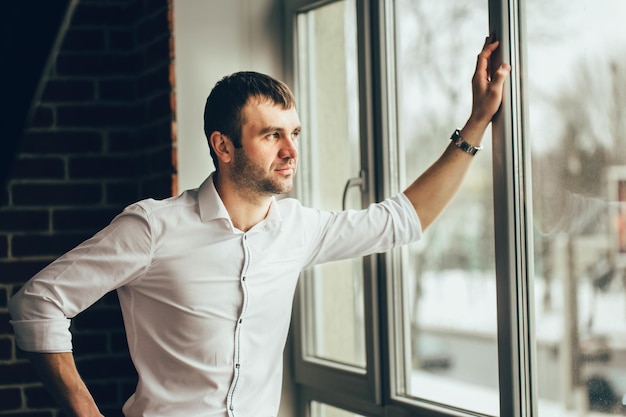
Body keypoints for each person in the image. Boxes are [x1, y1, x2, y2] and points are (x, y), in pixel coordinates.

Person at [8, 36, 510, 417]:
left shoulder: (298, 229)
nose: (291, 151)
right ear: (224, 146)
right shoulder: (153, 228)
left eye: (293, 133)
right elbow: (38, 303)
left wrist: (478, 122)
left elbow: (401, 219)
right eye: (272, 135)